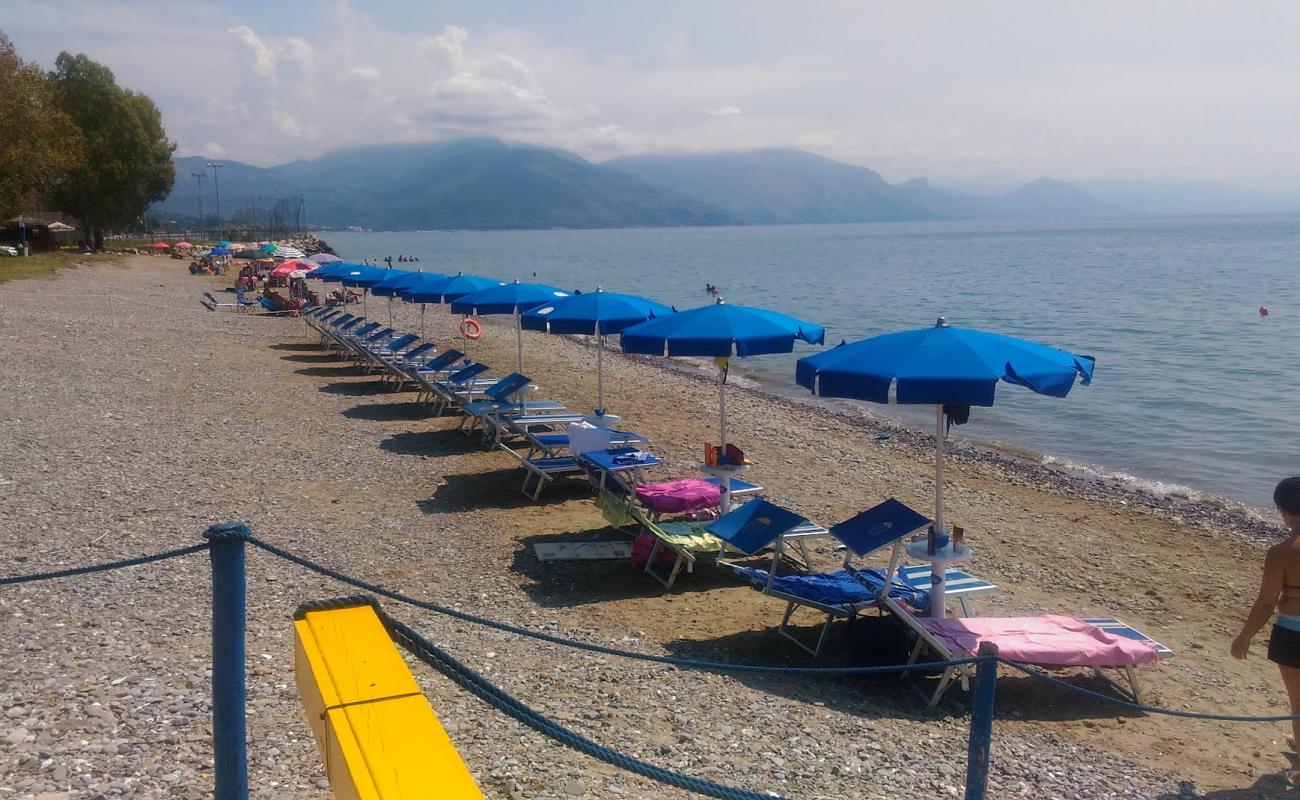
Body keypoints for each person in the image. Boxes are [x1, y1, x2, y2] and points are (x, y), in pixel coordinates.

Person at [1233, 477, 1300, 781]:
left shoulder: (1281, 553)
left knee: (1298, 701)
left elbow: (1265, 603)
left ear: (1284, 511)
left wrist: (1244, 637)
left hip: (1293, 632)